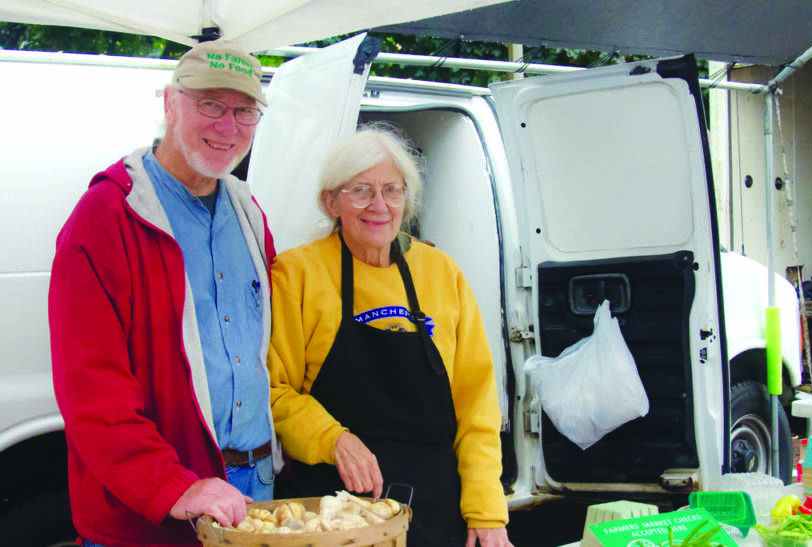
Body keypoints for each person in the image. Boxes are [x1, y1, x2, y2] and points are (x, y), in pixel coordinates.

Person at [49, 41, 277, 546]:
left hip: (255, 493)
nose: (227, 126)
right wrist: (172, 485)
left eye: (244, 111)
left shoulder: (250, 213)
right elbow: (90, 393)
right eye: (210, 105)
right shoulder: (105, 219)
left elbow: (266, 358)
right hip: (154, 512)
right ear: (170, 104)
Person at [268, 126, 513, 547]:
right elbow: (273, 391)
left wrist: (487, 510)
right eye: (361, 190)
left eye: (392, 190)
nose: (379, 205)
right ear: (331, 201)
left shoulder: (442, 273)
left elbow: (476, 407)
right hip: (334, 513)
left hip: (435, 508)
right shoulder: (298, 273)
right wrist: (333, 439)